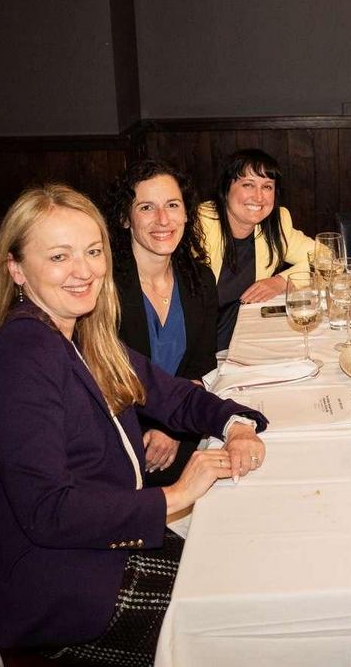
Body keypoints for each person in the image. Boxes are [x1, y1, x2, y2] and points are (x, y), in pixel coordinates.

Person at [0, 184, 267, 662]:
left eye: (93, 252)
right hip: (63, 588)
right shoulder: (23, 356)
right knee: (234, 618)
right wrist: (176, 495)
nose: (84, 270)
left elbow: (171, 395)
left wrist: (235, 424)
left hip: (103, 545)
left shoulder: (83, 334)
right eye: (59, 257)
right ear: (17, 269)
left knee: (242, 566)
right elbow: (48, 511)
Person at [105, 160, 217, 486]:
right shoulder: (102, 290)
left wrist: (173, 428)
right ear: (125, 218)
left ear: (186, 213)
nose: (163, 219)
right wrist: (161, 428)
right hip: (124, 442)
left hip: (181, 432)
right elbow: (106, 385)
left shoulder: (199, 280)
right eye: (146, 207)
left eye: (172, 205)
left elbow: (201, 367)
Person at [199, 149, 315, 350]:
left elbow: (325, 258)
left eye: (267, 187)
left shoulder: (276, 223)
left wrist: (280, 282)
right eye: (248, 185)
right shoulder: (200, 224)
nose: (259, 197)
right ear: (226, 188)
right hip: (200, 345)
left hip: (242, 339)